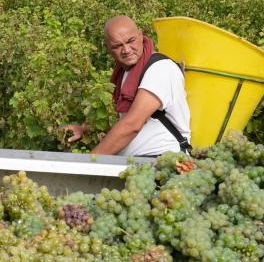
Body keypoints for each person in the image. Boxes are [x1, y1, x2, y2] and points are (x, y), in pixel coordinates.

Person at [65, 15, 191, 157]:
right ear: (107, 47)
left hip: (162, 161)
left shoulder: (160, 69)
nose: (126, 50)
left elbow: (131, 125)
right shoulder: (127, 72)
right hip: (136, 164)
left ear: (140, 35)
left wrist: (88, 164)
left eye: (130, 41)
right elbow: (120, 117)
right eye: (117, 46)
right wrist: (83, 129)